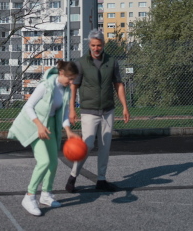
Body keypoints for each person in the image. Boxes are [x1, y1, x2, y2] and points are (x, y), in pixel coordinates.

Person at [8, 60, 81, 216]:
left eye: (73, 79)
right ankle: (29, 196)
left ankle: (46, 195)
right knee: (44, 162)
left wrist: (68, 130)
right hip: (36, 127)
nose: (71, 82)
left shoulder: (65, 90)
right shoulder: (45, 86)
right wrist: (39, 126)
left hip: (50, 127)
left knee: (54, 162)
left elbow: (64, 112)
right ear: (61, 74)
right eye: (70, 78)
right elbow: (28, 106)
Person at [65, 29, 130, 193]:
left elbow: (118, 84)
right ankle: (73, 177)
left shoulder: (112, 62)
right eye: (93, 45)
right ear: (89, 45)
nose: (96, 48)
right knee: (86, 146)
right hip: (89, 110)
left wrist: (124, 106)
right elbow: (74, 87)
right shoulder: (81, 63)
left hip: (108, 110)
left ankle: (101, 179)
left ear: (103, 45)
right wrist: (72, 109)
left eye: (99, 45)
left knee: (105, 146)